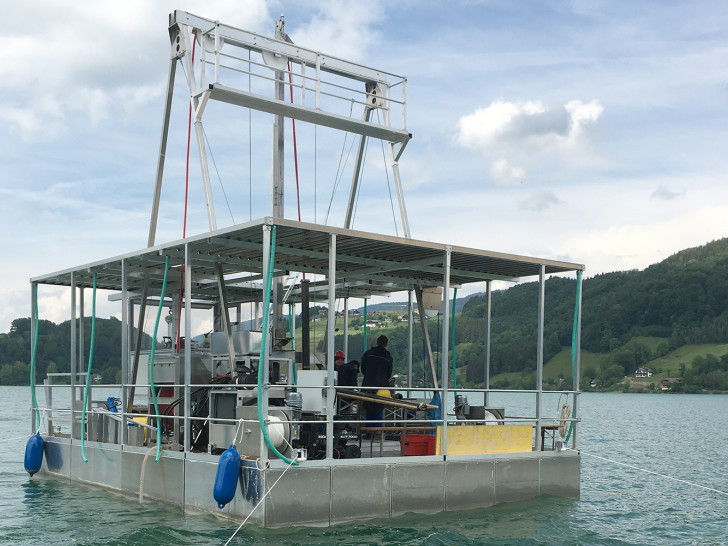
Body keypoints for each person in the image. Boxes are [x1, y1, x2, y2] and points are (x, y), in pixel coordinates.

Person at [360, 335, 393, 425]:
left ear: (377, 342)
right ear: (386, 344)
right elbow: (389, 373)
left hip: (368, 384)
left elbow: (362, 368)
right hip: (381, 386)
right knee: (379, 407)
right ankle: (378, 432)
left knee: (368, 407)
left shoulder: (368, 353)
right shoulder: (388, 356)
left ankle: (368, 432)